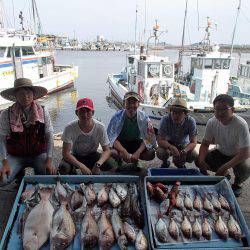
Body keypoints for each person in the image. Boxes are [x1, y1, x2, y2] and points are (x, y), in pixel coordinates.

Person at [0, 78, 56, 186]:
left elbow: (49, 136)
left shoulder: (43, 111)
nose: (26, 97)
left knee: (49, 174)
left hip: (38, 154)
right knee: (2, 179)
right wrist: (5, 162)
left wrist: (49, 159)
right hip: (16, 155)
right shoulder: (6, 114)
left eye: (28, 93)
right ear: (15, 96)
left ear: (33, 94)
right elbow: (1, 140)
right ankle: (19, 174)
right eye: (21, 94)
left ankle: (38, 177)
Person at [196, 94, 250, 197]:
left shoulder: (241, 125)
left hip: (238, 155)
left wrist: (225, 167)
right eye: (217, 109)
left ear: (233, 110)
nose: (220, 113)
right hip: (221, 152)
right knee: (199, 160)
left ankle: (237, 184)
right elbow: (205, 144)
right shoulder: (212, 122)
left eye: (224, 109)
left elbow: (246, 152)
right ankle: (226, 175)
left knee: (246, 167)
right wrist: (201, 161)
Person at [59, 98, 116, 175]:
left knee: (112, 164)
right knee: (63, 167)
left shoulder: (100, 127)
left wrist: (98, 164)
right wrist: (81, 166)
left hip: (93, 154)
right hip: (76, 155)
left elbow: (107, 150)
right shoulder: (69, 127)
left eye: (88, 111)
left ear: (93, 112)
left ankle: (97, 175)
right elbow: (65, 153)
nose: (85, 114)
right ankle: (74, 176)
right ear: (76, 113)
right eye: (81, 111)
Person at [107, 91, 156, 170]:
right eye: (128, 103)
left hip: (136, 142)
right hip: (122, 142)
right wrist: (123, 151)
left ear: (138, 104)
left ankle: (135, 160)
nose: (131, 106)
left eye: (134, 103)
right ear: (124, 103)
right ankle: (119, 161)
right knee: (112, 152)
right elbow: (112, 138)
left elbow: (148, 138)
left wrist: (138, 152)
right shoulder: (116, 117)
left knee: (151, 153)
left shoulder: (144, 118)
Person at [156, 98, 198, 168]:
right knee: (161, 152)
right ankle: (165, 161)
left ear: (185, 114)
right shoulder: (165, 119)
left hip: (183, 144)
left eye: (179, 112)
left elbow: (193, 142)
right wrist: (170, 147)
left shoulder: (191, 121)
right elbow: (160, 140)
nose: (175, 115)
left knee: (193, 155)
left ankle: (181, 163)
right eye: (173, 112)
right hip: (168, 143)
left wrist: (185, 151)